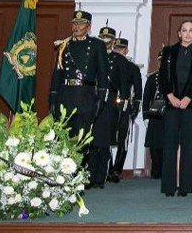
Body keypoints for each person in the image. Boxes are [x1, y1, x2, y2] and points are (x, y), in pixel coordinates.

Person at [48, 10, 117, 189]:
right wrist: (53, 97)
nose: (76, 27)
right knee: (64, 139)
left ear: (88, 27)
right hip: (66, 95)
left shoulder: (96, 45)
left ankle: (78, 176)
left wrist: (101, 98)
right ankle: (64, 177)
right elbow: (58, 73)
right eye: (74, 24)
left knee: (82, 141)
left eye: (80, 24)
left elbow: (103, 74)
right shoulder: (65, 45)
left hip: (86, 96)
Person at [158, 20, 192, 197]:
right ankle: (169, 187)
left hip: (191, 105)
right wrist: (170, 96)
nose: (187, 33)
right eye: (184, 30)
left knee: (188, 145)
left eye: (191, 30)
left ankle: (185, 187)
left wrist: (188, 98)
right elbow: (162, 77)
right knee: (170, 144)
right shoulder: (169, 52)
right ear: (179, 33)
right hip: (172, 104)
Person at [108, 37, 142, 183]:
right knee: (106, 137)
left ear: (126, 50)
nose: (118, 51)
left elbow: (138, 90)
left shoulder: (132, 67)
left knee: (123, 139)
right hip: (109, 105)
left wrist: (135, 108)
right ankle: (108, 168)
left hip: (124, 105)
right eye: (116, 48)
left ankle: (117, 169)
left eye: (121, 49)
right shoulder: (107, 63)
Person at [142, 67, 164, 179]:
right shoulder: (152, 78)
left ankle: (165, 171)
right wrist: (145, 116)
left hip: (169, 112)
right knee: (154, 144)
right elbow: (146, 98)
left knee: (167, 143)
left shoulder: (174, 75)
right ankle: (155, 170)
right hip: (155, 109)